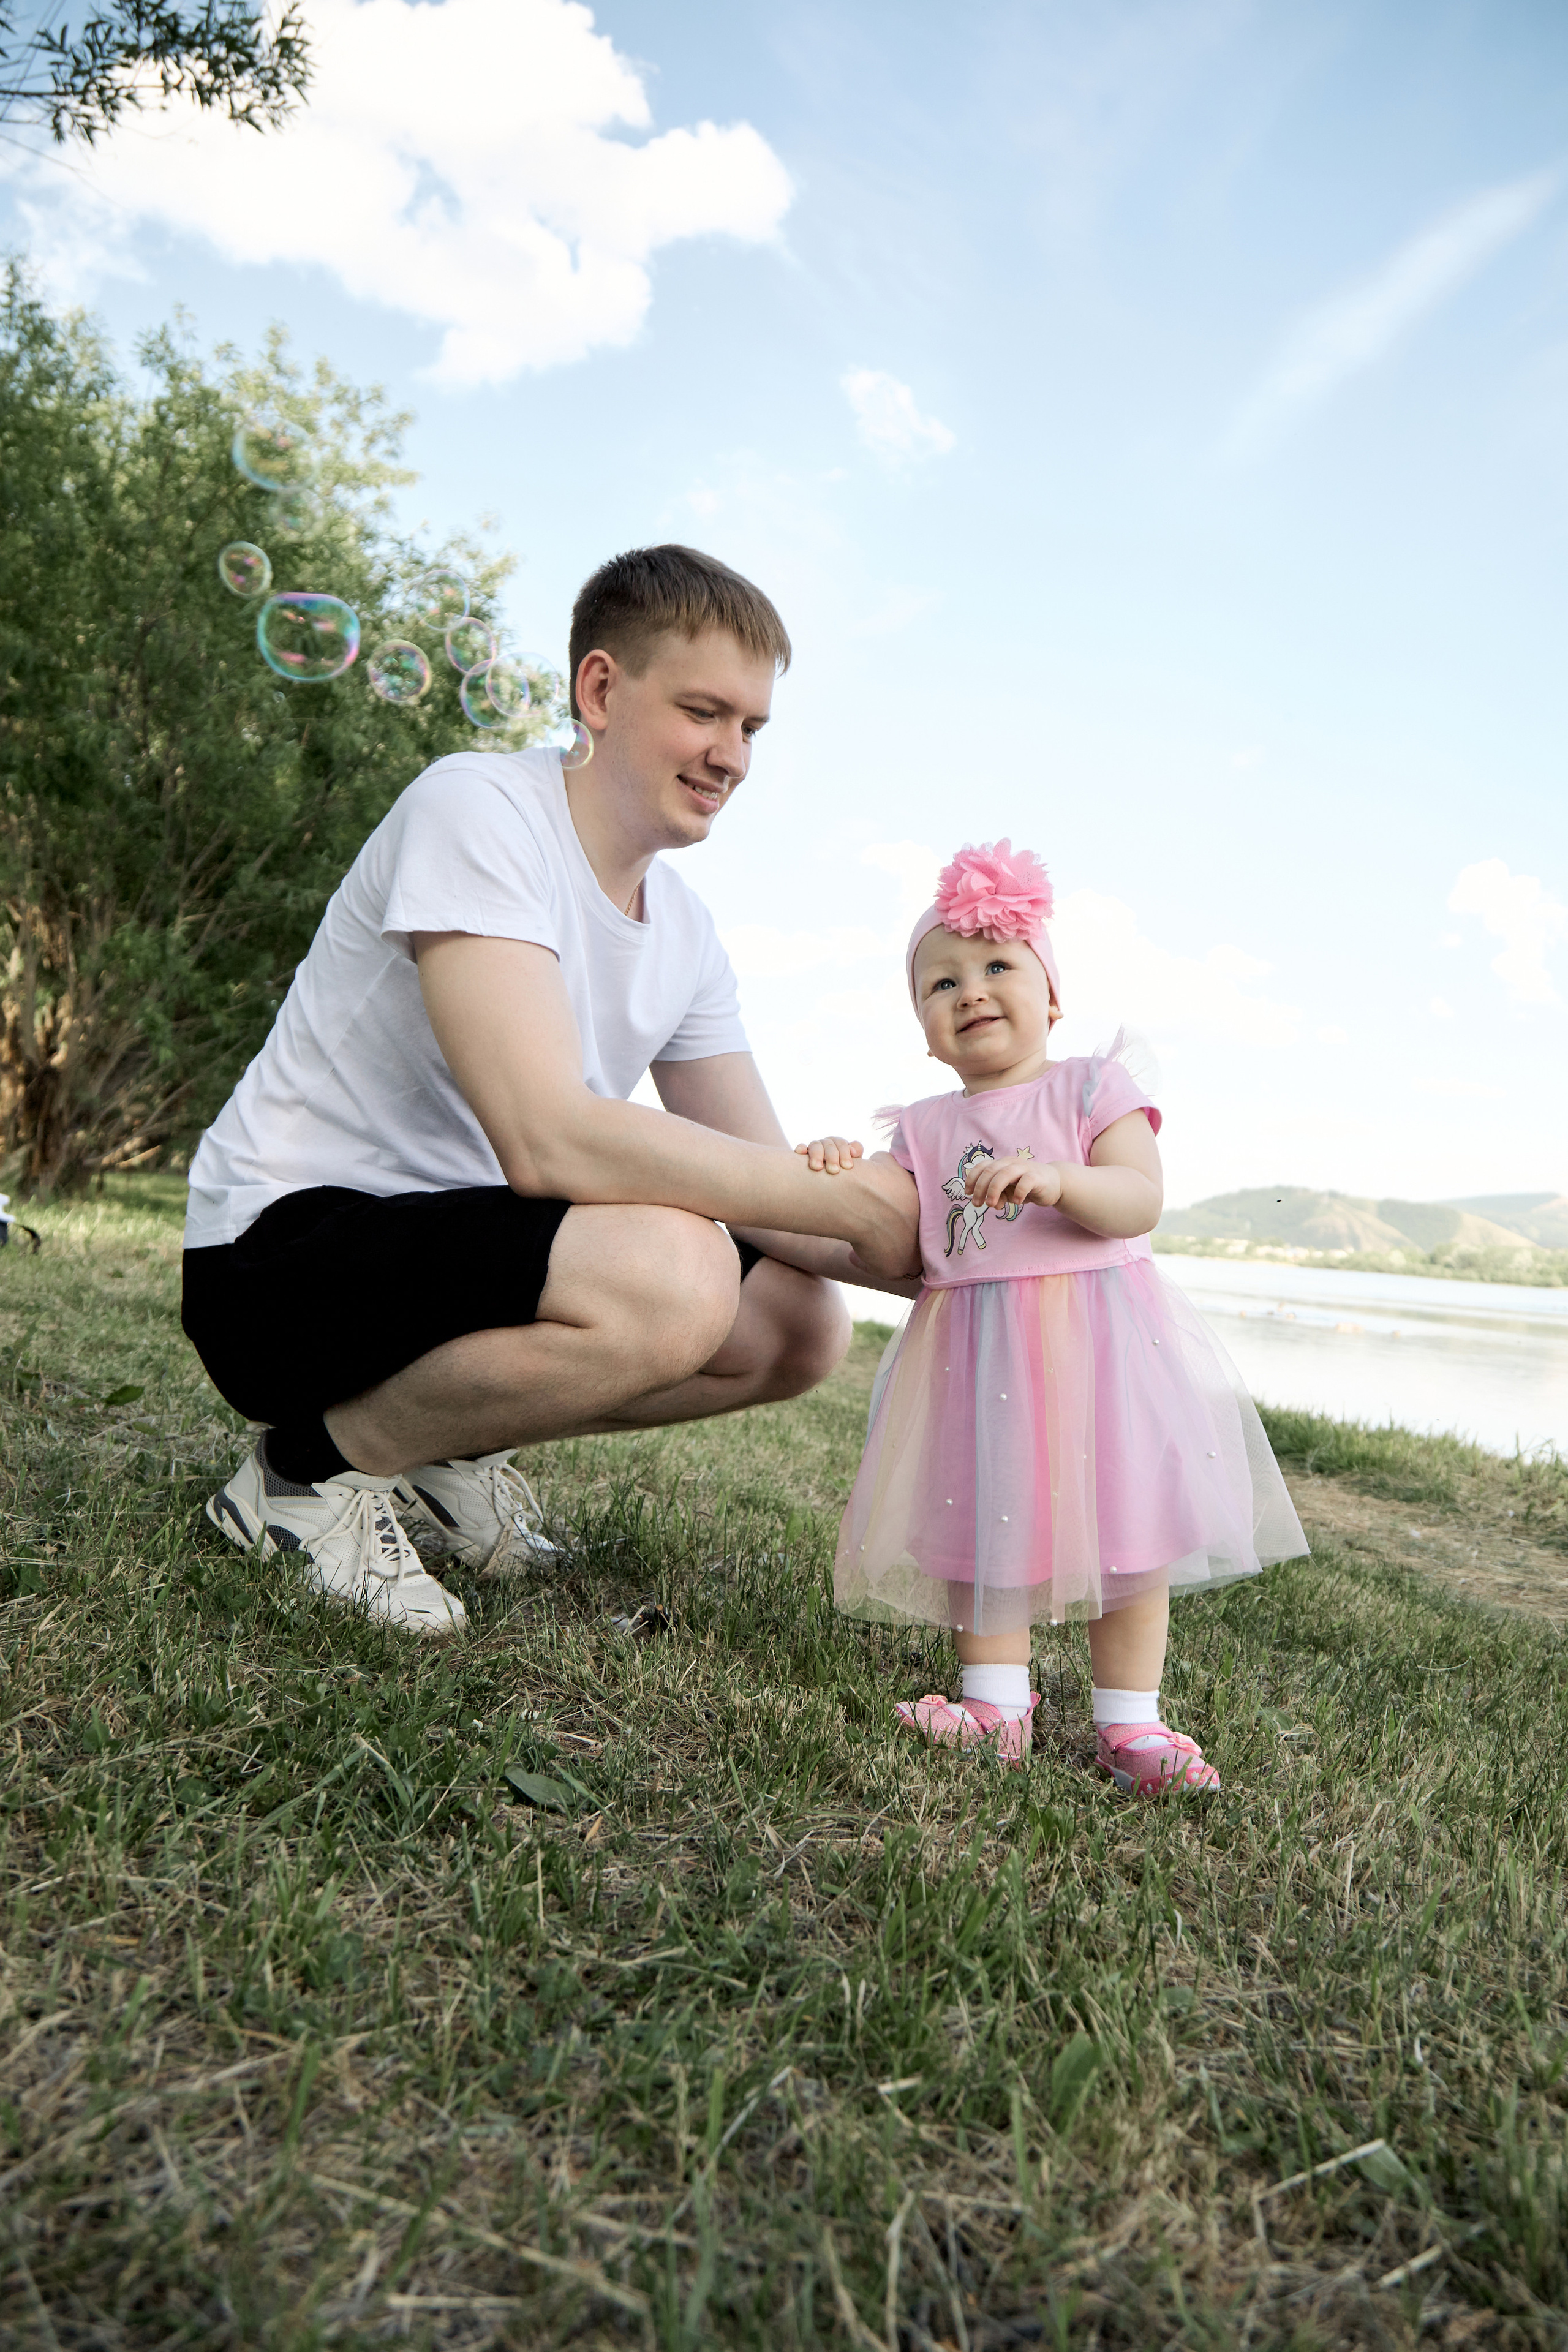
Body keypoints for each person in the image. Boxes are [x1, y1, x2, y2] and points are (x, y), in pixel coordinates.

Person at [181, 545, 916, 1636]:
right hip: (279, 1260)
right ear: (602, 690)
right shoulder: (478, 806)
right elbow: (547, 1141)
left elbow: (770, 1188)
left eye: (752, 728)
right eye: (706, 712)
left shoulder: (688, 936)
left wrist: (966, 1259)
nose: (732, 758)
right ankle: (305, 1476)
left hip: (455, 1260)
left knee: (799, 1325)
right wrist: (843, 1204)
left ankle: (446, 1444)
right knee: (680, 1270)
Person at [796, 839, 1306, 1793]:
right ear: (924, 1029)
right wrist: (833, 1159)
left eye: (997, 967)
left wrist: (1062, 1180)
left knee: (1129, 1534)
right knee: (981, 1524)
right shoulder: (924, 1127)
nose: (971, 990)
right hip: (975, 1356)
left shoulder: (1088, 1089)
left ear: (1052, 995)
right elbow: (880, 1203)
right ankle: (994, 1703)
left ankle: (1132, 1724)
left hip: (1102, 1351)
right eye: (940, 983)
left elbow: (1137, 1200)